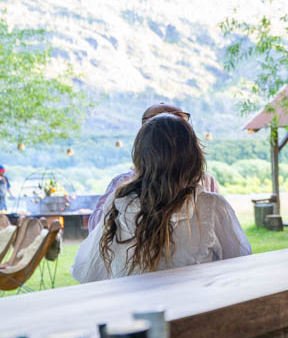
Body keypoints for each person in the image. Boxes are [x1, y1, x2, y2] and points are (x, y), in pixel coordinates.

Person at [72, 113, 250, 282]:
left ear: (140, 158)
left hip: (133, 311)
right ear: (193, 157)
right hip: (195, 310)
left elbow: (87, 271)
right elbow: (241, 268)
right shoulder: (212, 206)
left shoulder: (119, 202)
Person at [88, 102, 219, 231]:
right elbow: (97, 227)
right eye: (157, 121)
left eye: (177, 122)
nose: (167, 129)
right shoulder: (121, 185)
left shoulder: (206, 181)